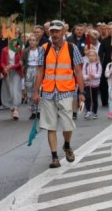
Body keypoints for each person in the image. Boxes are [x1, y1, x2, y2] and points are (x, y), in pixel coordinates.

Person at [32, 20, 85, 169]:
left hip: (66, 90)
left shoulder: (71, 48)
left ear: (63, 32)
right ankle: (54, 157)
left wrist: (82, 91)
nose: (54, 34)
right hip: (48, 92)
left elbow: (78, 71)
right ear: (49, 32)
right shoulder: (44, 48)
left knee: (68, 125)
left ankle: (67, 145)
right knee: (51, 126)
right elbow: (40, 70)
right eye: (52, 31)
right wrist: (36, 91)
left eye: (57, 31)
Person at [0, 39, 23, 120]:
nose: (12, 42)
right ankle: (12, 108)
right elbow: (2, 61)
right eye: (10, 40)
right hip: (7, 71)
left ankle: (16, 108)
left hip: (16, 71)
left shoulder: (19, 49)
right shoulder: (4, 50)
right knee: (9, 90)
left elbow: (21, 62)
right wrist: (5, 68)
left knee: (15, 89)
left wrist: (11, 67)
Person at [21, 34, 39, 120]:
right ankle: (33, 111)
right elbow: (23, 61)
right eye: (30, 40)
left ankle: (39, 110)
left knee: (38, 90)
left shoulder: (40, 50)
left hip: (38, 70)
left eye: (33, 40)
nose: (31, 42)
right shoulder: (25, 51)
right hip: (29, 70)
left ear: (36, 42)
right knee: (29, 91)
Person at [82, 49, 102, 120]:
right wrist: (87, 77)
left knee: (94, 98)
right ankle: (88, 111)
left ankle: (95, 112)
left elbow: (99, 74)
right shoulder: (86, 64)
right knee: (87, 97)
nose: (92, 57)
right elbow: (83, 74)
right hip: (87, 84)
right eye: (90, 56)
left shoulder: (98, 65)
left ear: (96, 57)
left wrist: (94, 75)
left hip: (95, 84)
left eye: (93, 56)